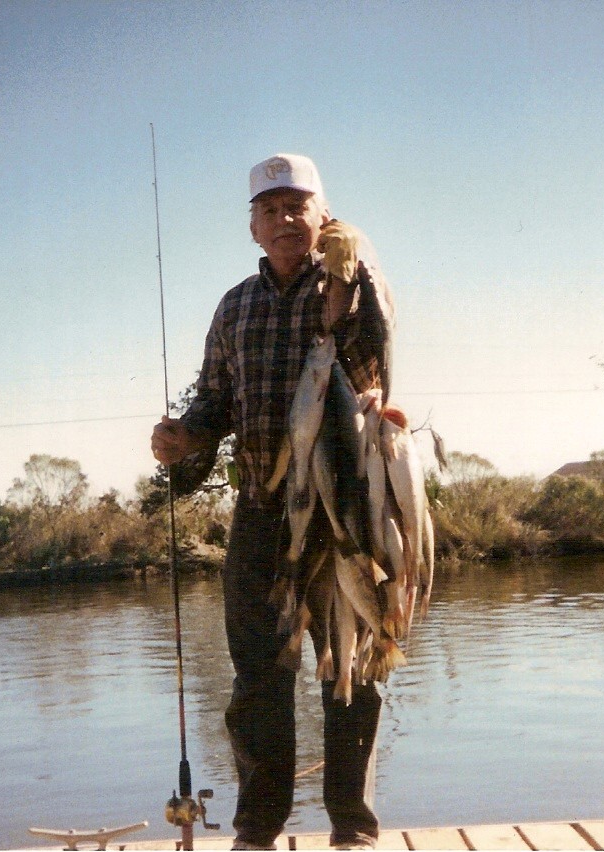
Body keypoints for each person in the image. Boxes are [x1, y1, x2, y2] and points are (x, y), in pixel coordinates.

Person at [151, 153, 393, 851]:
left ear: (323, 217)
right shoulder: (234, 306)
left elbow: (378, 363)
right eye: (271, 210)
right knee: (259, 677)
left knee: (350, 667)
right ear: (253, 227)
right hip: (262, 512)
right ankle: (258, 829)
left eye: (299, 207)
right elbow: (215, 399)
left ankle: (354, 827)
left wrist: (356, 272)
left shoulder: (353, 284)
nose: (286, 219)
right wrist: (184, 437)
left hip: (345, 515)